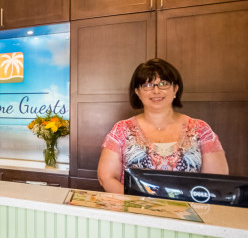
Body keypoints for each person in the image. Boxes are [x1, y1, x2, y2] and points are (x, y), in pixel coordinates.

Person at [97, 58, 228, 193]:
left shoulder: (201, 129)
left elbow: (217, 182)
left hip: (189, 211)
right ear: (137, 92)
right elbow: (106, 178)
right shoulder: (122, 129)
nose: (156, 91)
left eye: (163, 84)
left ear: (175, 89)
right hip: (135, 209)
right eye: (147, 85)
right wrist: (145, 205)